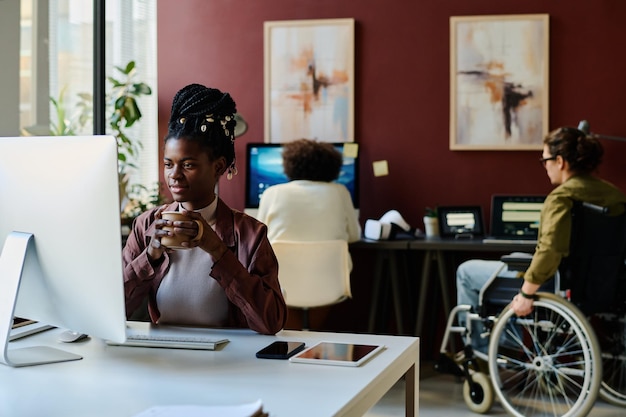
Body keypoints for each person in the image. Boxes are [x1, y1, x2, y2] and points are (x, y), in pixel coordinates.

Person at [123, 83, 287, 335]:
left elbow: (271, 322)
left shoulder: (250, 235)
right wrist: (151, 254)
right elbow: (113, 308)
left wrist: (217, 249)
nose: (174, 175)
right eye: (168, 164)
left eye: (187, 165)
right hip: (162, 360)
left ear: (219, 167)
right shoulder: (146, 226)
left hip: (227, 361)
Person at [456, 126, 626, 350]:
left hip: (555, 283)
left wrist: (526, 292)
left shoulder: (561, 197)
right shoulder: (615, 196)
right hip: (602, 285)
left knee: (466, 271)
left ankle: (484, 351)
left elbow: (550, 249)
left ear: (561, 161)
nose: (545, 166)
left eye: (545, 160)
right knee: (517, 257)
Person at [256, 139, 362, 255]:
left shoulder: (272, 193)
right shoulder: (340, 192)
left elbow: (258, 238)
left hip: (281, 271)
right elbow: (354, 236)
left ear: (289, 166)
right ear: (333, 167)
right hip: (332, 271)